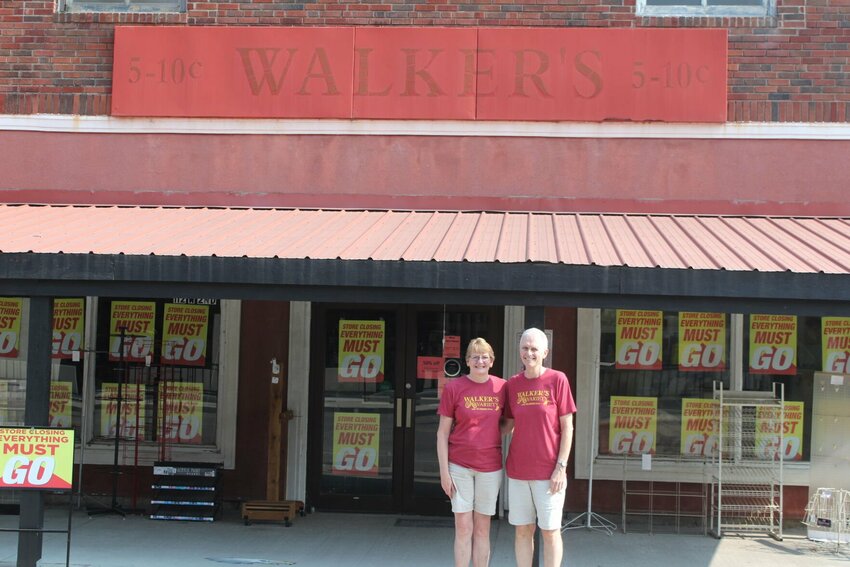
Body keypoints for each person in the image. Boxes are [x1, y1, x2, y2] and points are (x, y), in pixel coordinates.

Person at [504, 327, 577, 567]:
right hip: (518, 471)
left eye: (534, 348)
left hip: (549, 473)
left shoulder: (558, 380)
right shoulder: (513, 384)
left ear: (545, 352)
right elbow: (507, 424)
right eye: (525, 348)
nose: (529, 353)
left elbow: (568, 428)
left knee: (550, 531)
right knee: (523, 530)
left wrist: (561, 467)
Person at [437, 338, 507, 567]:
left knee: (482, 528)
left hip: (490, 467)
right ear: (467, 361)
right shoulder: (454, 388)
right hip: (459, 467)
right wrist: (444, 473)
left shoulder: (502, 387)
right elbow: (442, 434)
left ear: (492, 361)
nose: (480, 361)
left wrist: (492, 436)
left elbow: (511, 421)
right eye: (475, 356)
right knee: (463, 527)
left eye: (484, 356)